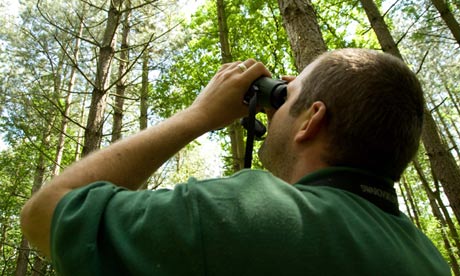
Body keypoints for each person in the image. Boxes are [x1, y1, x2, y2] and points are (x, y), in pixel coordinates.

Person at [21, 49, 450, 275]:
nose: (271, 105)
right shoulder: (428, 259)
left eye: (285, 96)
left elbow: (44, 216)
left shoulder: (246, 215)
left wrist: (199, 115)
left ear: (312, 120)